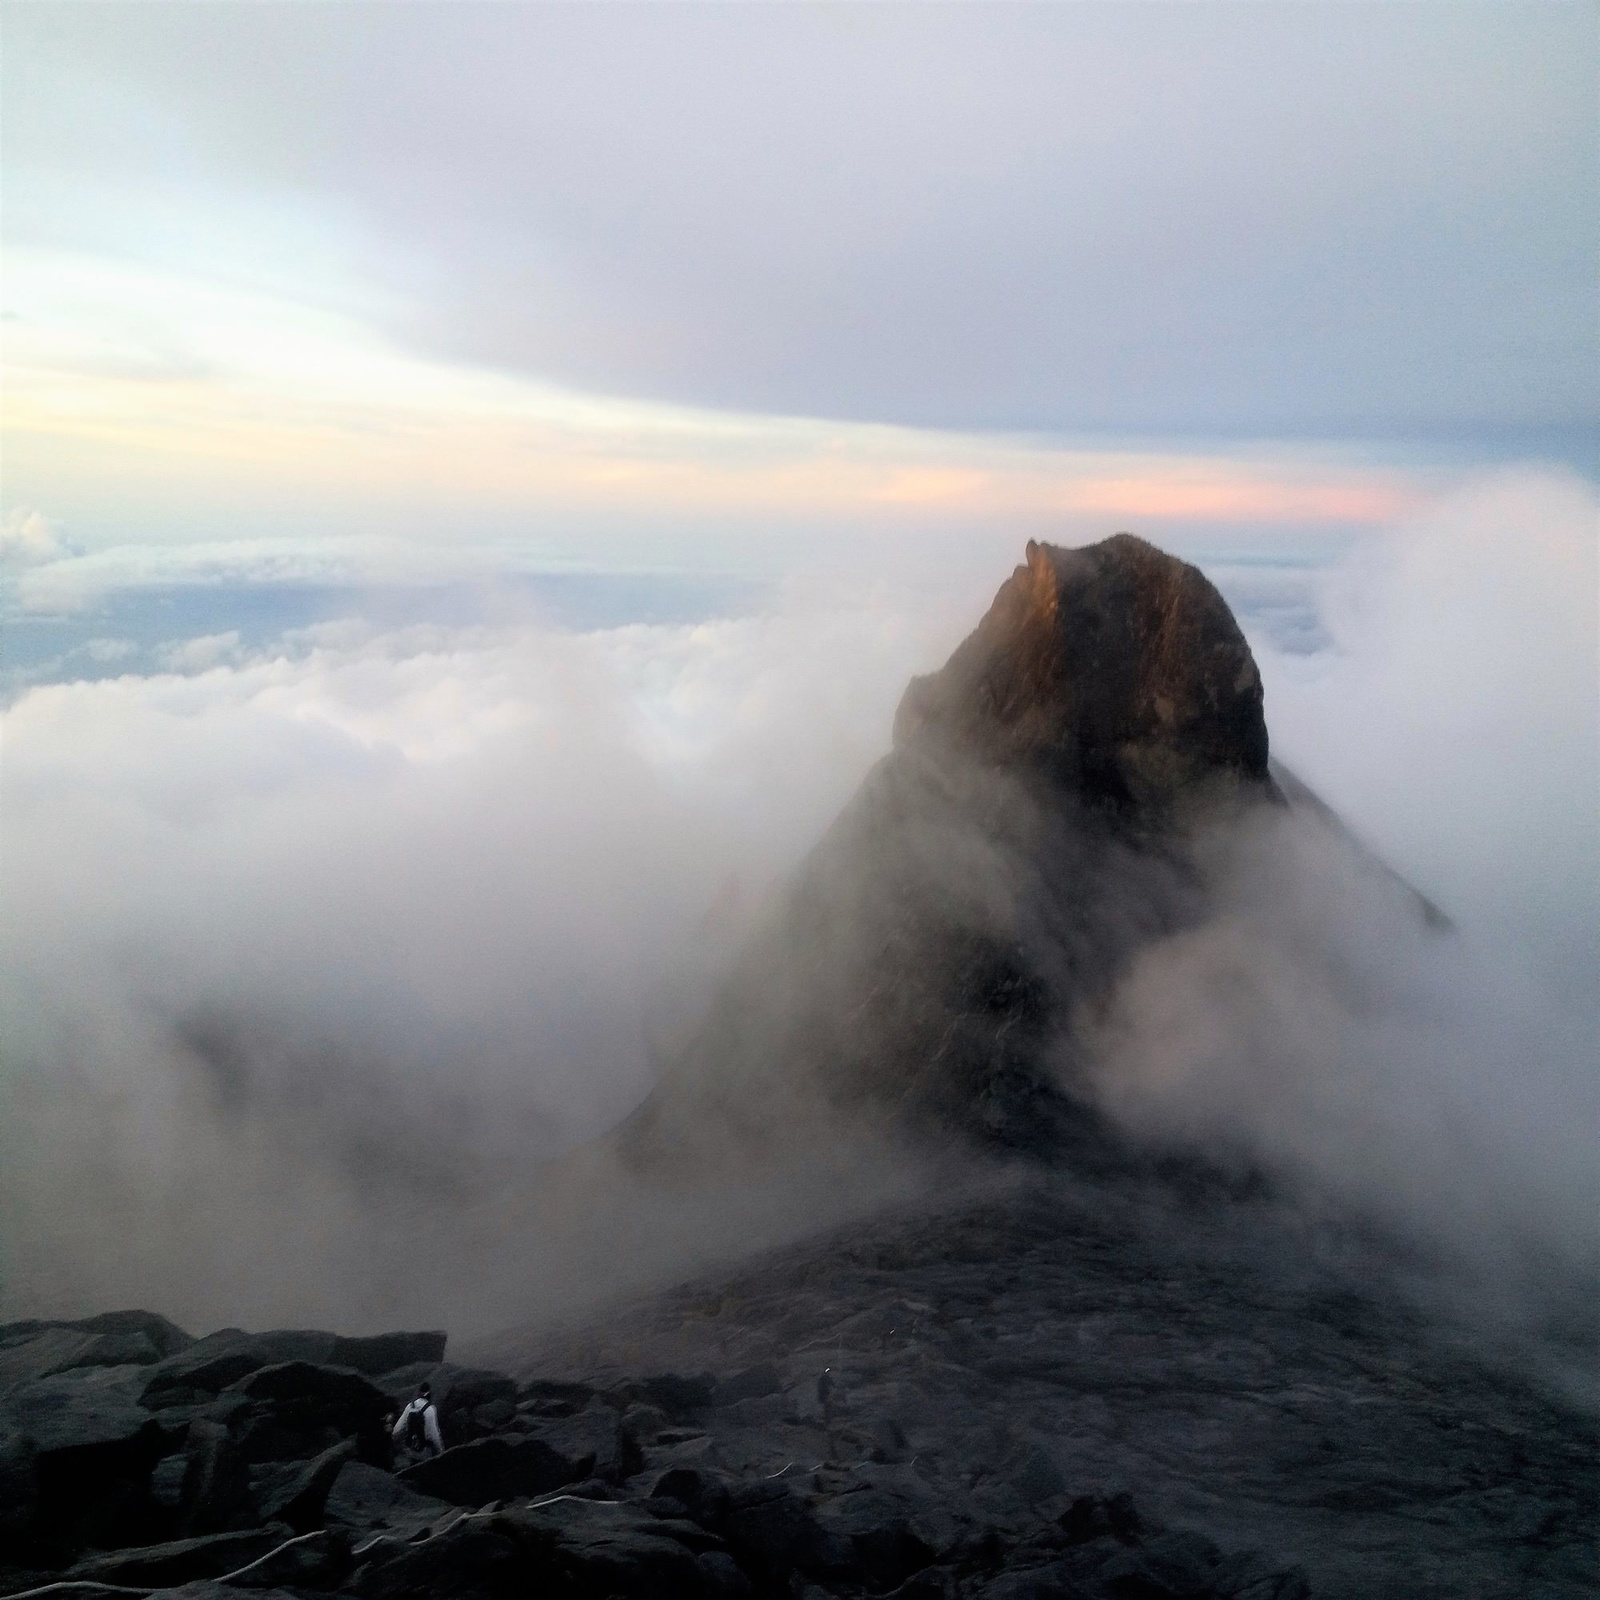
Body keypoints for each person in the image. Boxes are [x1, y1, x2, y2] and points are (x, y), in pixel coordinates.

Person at [392, 1382, 444, 1459]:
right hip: (425, 1451)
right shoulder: (430, 1409)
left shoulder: (410, 1406)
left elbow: (398, 1429)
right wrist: (440, 1452)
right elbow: (433, 1435)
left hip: (410, 1449)